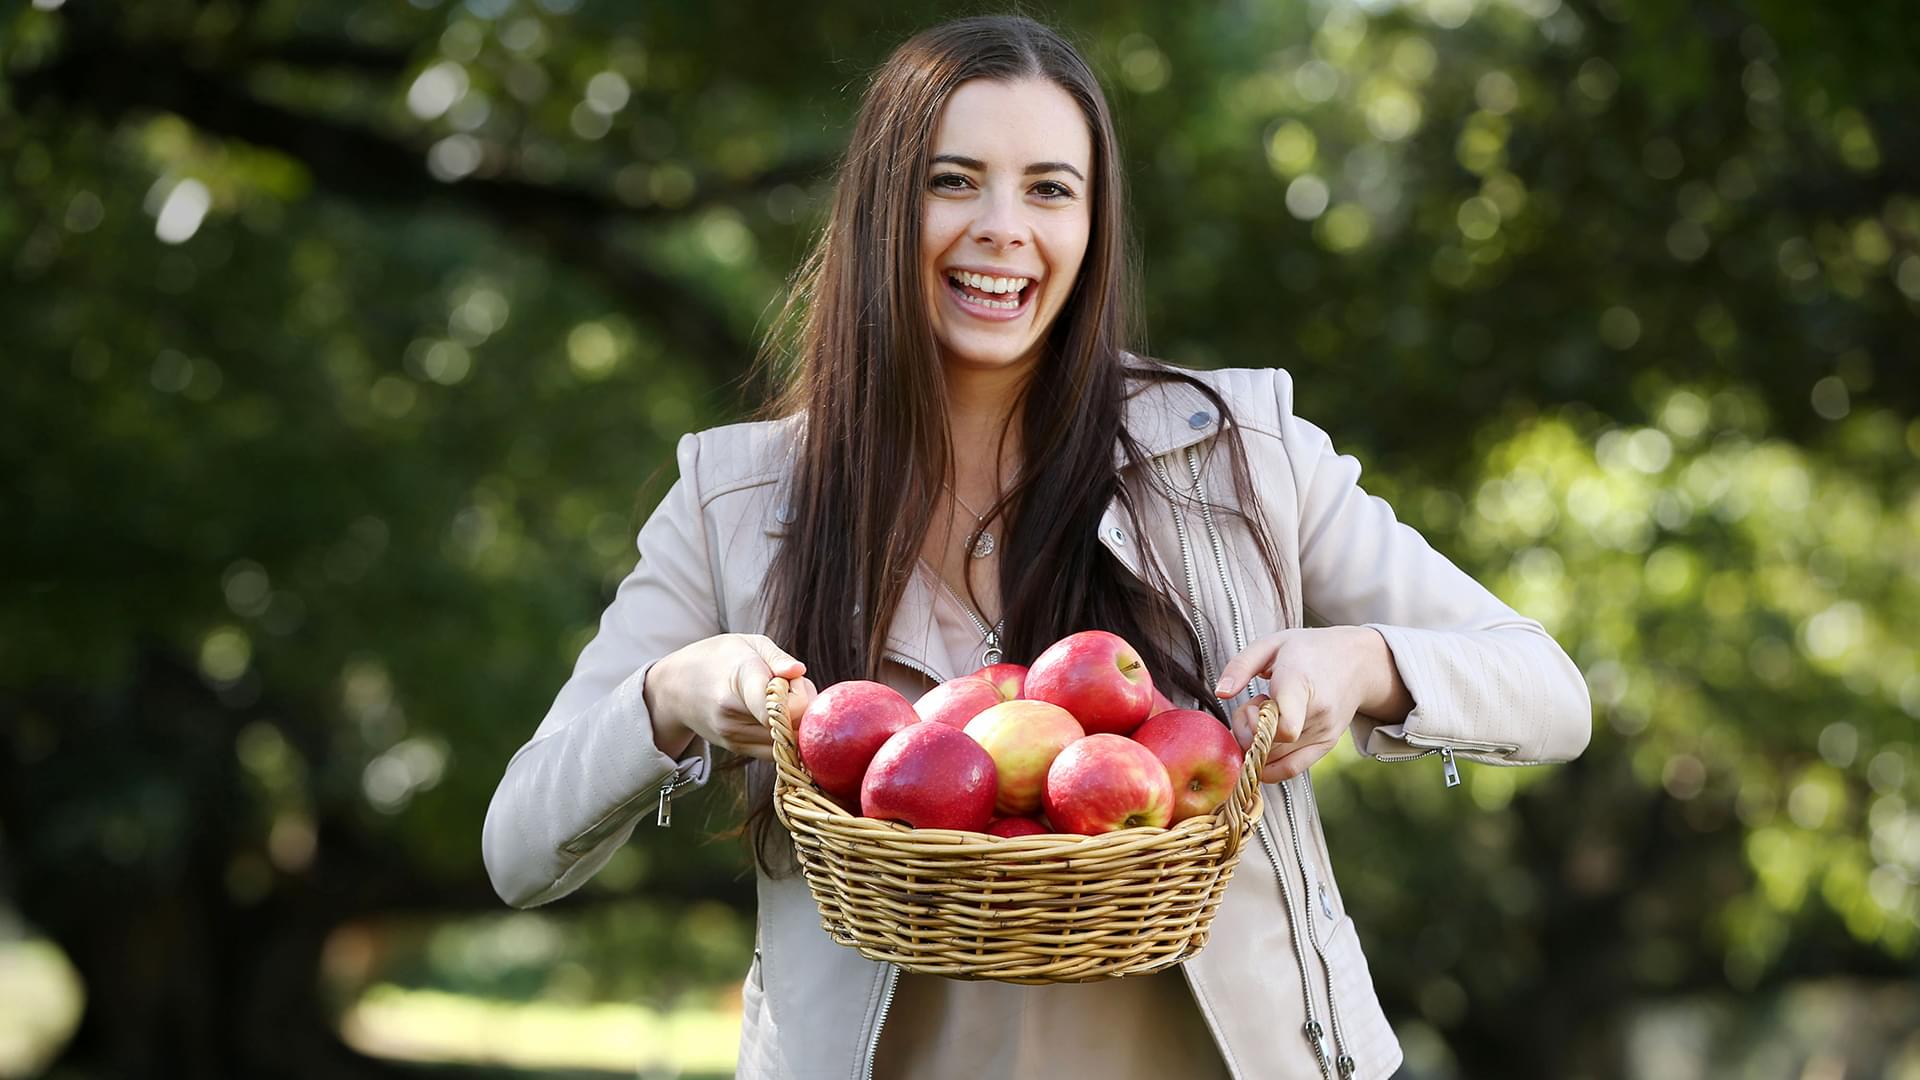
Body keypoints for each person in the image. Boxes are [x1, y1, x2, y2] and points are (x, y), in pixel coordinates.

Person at [482, 14, 1591, 1080]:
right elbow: (520, 846)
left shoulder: (1240, 448)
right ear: (880, 208)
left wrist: (1362, 665)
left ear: (1092, 227)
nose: (1003, 227)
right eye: (951, 180)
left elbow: (1548, 689)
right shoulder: (738, 498)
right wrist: (672, 695)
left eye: (1050, 189)